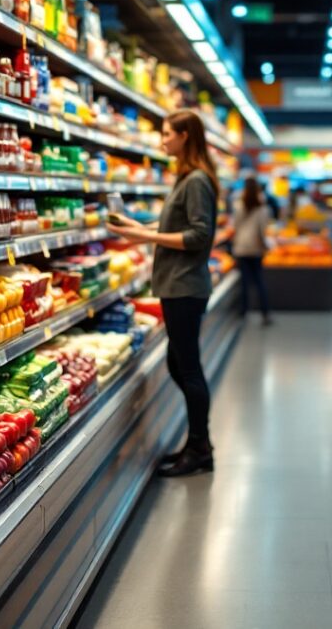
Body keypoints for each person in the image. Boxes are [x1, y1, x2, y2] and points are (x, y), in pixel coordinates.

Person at [106, 110, 219, 477]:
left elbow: (200, 235)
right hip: (176, 285)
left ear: (186, 135)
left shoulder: (197, 180)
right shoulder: (186, 178)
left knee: (188, 368)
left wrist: (148, 237)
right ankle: (197, 443)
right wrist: (139, 228)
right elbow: (175, 226)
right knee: (179, 363)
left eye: (168, 133)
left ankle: (200, 448)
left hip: (185, 286)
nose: (162, 140)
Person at [232, 180, 274, 325]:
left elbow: (235, 226)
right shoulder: (262, 208)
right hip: (256, 248)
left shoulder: (238, 206)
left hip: (241, 247)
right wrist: (266, 246)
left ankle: (243, 312)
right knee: (259, 281)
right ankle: (265, 313)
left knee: (244, 281)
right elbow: (262, 231)